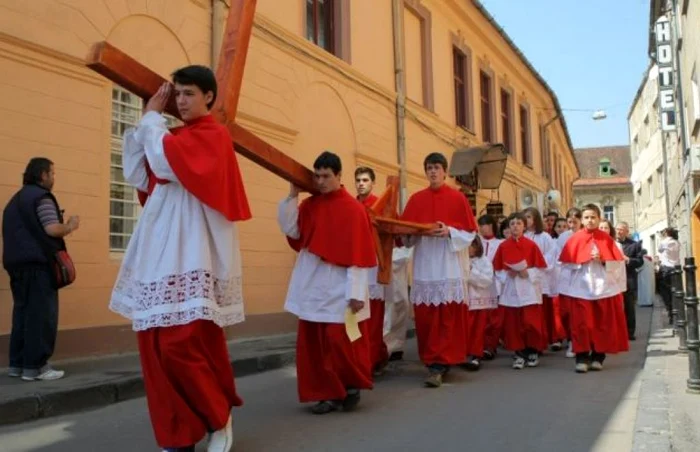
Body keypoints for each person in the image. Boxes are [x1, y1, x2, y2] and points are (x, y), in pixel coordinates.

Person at [108, 66, 252, 452]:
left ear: (209, 97)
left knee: (181, 343)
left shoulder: (213, 135)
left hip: (194, 248)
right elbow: (140, 173)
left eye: (189, 94)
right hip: (158, 246)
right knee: (154, 345)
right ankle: (179, 431)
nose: (182, 102)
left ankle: (218, 417)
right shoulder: (169, 137)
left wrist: (153, 121)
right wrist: (146, 123)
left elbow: (167, 162)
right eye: (178, 95)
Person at [278, 151, 376, 415]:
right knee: (315, 344)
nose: (320, 181)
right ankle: (327, 393)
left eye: (326, 176)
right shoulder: (310, 206)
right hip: (312, 282)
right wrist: (292, 195)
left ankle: (349, 386)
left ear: (338, 176)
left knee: (339, 342)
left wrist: (356, 292)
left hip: (339, 286)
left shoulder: (354, 209)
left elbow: (358, 255)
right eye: (317, 176)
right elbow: (292, 230)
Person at [399, 152, 477, 387]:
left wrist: (449, 231)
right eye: (428, 168)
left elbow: (470, 233)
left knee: (448, 316)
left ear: (444, 171)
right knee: (428, 317)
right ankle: (433, 361)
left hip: (448, 264)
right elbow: (407, 236)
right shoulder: (416, 199)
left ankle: (444, 360)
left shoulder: (457, 199)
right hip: (425, 264)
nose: (432, 172)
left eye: (436, 167)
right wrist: (409, 233)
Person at [3, 157, 80, 381]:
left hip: (15, 264)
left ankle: (17, 366)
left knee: (22, 314)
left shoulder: (14, 200)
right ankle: (38, 367)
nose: (54, 178)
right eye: (52, 173)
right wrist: (70, 226)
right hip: (38, 265)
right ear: (43, 175)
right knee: (42, 315)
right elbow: (52, 229)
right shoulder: (41, 197)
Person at [558, 204, 629, 373]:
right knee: (582, 324)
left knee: (601, 323)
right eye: (587, 217)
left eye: (593, 217)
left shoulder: (606, 239)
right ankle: (582, 357)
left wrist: (603, 259)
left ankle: (598, 356)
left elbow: (617, 265)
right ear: (582, 220)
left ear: (598, 219)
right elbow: (565, 265)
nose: (590, 220)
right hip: (581, 288)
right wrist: (580, 260)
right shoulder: (574, 239)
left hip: (603, 287)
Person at [493, 212, 548, 369]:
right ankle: (518, 353)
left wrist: (528, 273)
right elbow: (497, 270)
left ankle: (532, 351)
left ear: (524, 226)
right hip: (511, 288)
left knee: (531, 322)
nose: (515, 226)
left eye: (518, 223)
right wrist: (507, 274)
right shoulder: (503, 246)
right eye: (512, 224)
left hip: (529, 289)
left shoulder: (531, 245)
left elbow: (541, 268)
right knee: (513, 324)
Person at [354, 166, 389, 375]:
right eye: (358, 180)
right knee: (357, 316)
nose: (361, 183)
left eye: (365, 180)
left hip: (374, 265)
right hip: (354, 265)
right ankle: (364, 357)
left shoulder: (381, 204)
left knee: (374, 317)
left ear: (372, 183)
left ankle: (372, 358)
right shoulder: (351, 204)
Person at [523, 207, 564, 352]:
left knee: (543, 311)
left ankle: (546, 338)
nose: (526, 220)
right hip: (524, 277)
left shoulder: (544, 237)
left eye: (529, 217)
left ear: (536, 219)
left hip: (540, 276)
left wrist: (536, 262)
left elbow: (551, 255)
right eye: (525, 217)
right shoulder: (522, 236)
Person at [464, 236, 496, 370]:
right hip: (463, 301)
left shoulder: (484, 261)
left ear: (478, 247)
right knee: (465, 329)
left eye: (472, 245)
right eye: (466, 246)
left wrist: (471, 272)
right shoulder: (459, 261)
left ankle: (476, 355)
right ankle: (463, 354)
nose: (469, 249)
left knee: (477, 329)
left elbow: (487, 280)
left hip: (479, 301)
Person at [556, 207, 582, 358]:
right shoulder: (563, 237)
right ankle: (570, 339)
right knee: (566, 313)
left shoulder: (584, 235)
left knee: (578, 313)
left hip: (581, 277)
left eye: (575, 222)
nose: (572, 225)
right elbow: (558, 256)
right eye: (569, 222)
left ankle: (577, 342)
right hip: (566, 276)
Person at [478, 214, 504, 360]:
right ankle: (478, 345)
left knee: (493, 318)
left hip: (494, 283)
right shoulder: (476, 242)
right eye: (480, 225)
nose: (481, 228)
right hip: (478, 282)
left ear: (492, 226)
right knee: (480, 317)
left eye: (484, 225)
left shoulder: (500, 243)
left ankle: (490, 346)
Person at [615, 222, 644, 340]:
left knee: (629, 307)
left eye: (622, 229)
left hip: (628, 279)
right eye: (617, 229)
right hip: (614, 279)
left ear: (627, 232)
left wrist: (628, 260)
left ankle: (629, 332)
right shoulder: (611, 243)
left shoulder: (634, 245)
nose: (619, 231)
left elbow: (640, 261)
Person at [657, 227, 680, 324]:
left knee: (666, 293)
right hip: (676, 268)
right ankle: (678, 314)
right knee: (676, 293)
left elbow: (660, 250)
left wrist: (661, 238)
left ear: (666, 233)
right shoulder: (677, 242)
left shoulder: (664, 241)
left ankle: (671, 314)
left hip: (666, 269)